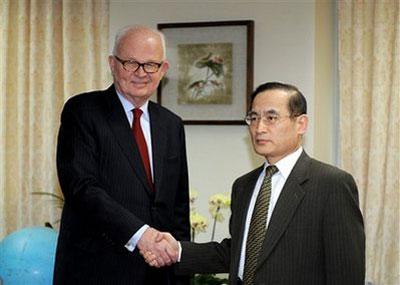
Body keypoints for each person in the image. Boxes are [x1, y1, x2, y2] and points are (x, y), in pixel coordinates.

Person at [145, 82, 365, 284]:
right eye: (253, 117)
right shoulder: (244, 186)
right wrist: (178, 251)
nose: (259, 128)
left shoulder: (331, 184)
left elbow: (345, 273)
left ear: (301, 123)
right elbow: (238, 253)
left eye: (271, 118)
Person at [53, 25, 190, 285]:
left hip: (158, 275)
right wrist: (142, 235)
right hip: (97, 272)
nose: (141, 73)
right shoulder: (83, 111)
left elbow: (178, 208)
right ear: (112, 64)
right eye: (130, 63)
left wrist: (181, 270)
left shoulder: (172, 125)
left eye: (151, 64)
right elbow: (82, 188)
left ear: (163, 69)